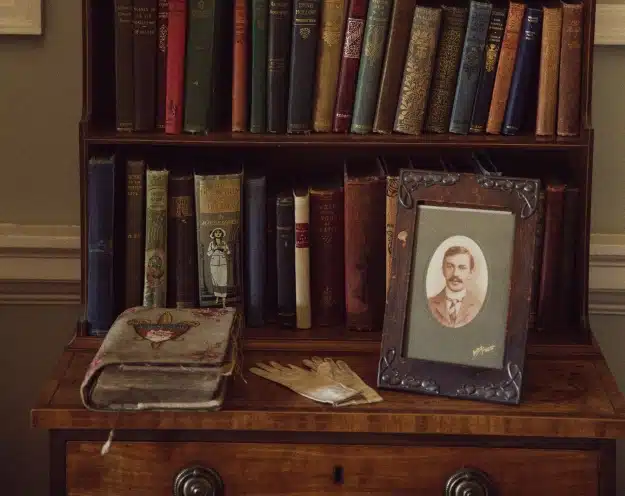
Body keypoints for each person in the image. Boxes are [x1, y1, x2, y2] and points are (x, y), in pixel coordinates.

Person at [427, 245, 482, 328]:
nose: (455, 273)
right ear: (443, 270)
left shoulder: (478, 307)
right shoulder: (429, 304)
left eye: (462, 268)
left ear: (470, 272)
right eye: (450, 266)